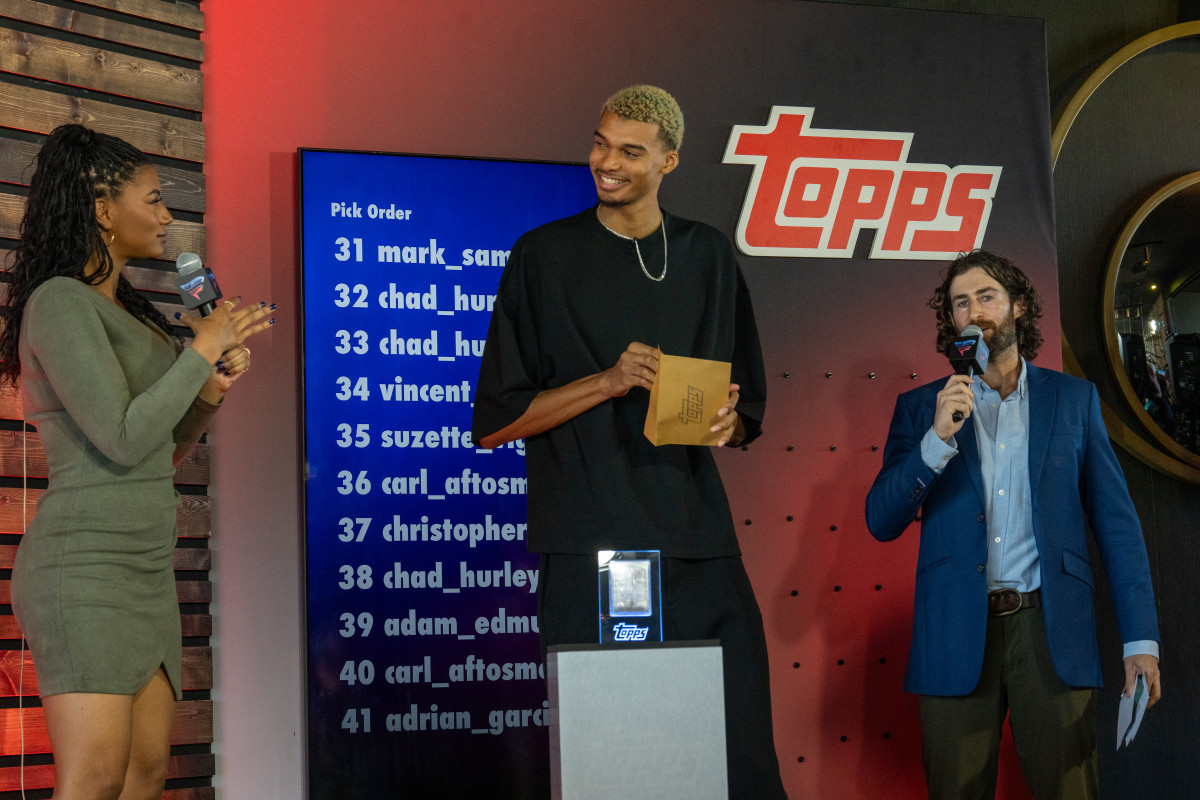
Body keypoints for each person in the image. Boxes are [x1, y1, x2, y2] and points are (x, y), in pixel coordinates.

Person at [472, 85, 786, 798]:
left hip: (696, 538)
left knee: (740, 757)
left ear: (669, 161)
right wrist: (608, 381)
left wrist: (727, 423)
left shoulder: (706, 253)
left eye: (629, 151)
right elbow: (495, 421)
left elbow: (745, 413)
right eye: (601, 142)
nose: (605, 161)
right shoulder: (542, 256)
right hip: (594, 548)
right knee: (616, 763)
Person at [0, 124, 275, 800]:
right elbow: (121, 438)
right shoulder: (59, 303)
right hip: (85, 568)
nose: (166, 217)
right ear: (102, 210)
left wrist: (209, 388)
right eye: (152, 200)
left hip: (146, 569)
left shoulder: (131, 311)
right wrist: (200, 352)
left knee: (144, 773)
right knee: (93, 777)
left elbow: (161, 448)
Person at [865, 250, 1161, 800]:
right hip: (955, 634)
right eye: (960, 303)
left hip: (1051, 631)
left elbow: (1117, 527)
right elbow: (880, 521)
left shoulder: (1074, 400)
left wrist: (1140, 638)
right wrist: (936, 441)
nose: (973, 311)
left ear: (1018, 307)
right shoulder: (921, 409)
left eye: (986, 296)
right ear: (950, 322)